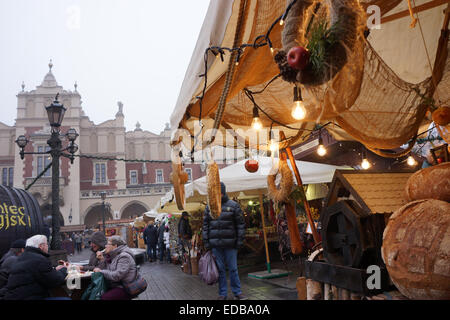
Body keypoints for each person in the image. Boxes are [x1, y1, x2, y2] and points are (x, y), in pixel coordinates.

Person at [202, 182, 246, 300]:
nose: (218, 195)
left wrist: (239, 241)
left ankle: (237, 292)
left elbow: (240, 225)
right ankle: (222, 294)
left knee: (233, 269)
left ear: (224, 192)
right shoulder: (209, 207)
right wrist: (206, 242)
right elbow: (205, 226)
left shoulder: (233, 205)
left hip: (231, 244)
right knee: (220, 270)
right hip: (216, 245)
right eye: (216, 193)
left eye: (220, 192)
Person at [2, 235, 68, 300]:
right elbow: (56, 280)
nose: (48, 246)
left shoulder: (22, 258)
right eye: (46, 244)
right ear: (41, 246)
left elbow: (40, 274)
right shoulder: (39, 260)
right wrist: (65, 269)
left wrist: (54, 270)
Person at [93, 235, 137, 300]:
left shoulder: (124, 256)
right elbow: (109, 270)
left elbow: (117, 276)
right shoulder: (114, 255)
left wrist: (100, 271)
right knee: (95, 293)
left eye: (108, 244)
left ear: (115, 246)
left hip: (125, 287)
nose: (105, 246)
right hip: (116, 285)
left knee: (104, 297)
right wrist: (102, 260)